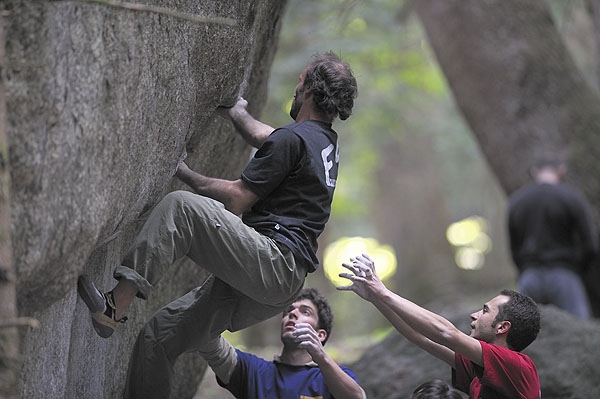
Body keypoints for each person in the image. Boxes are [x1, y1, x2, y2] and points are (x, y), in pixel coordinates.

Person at [77, 51, 358, 398]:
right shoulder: (323, 142)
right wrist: (237, 113)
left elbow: (238, 198)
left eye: (301, 82)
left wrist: (182, 171)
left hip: (272, 261)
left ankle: (113, 306)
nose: (296, 88)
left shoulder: (295, 139)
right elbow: (268, 137)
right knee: (159, 337)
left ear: (312, 88)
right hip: (277, 285)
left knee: (182, 207)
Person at [338, 254, 541, 399]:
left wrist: (384, 293)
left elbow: (446, 333)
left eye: (485, 311)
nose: (475, 314)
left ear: (502, 327)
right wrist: (376, 298)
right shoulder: (481, 368)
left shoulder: (519, 367)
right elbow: (421, 337)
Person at [198, 287, 366, 399]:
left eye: (305, 312)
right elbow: (208, 340)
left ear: (320, 334)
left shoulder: (331, 377)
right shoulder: (252, 370)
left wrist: (321, 357)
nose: (292, 314)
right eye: (288, 311)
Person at [507, 158, 599, 318]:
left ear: (534, 171)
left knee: (522, 333)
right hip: (564, 275)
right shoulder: (571, 197)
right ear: (561, 170)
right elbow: (590, 245)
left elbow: (514, 247)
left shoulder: (517, 201)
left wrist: (524, 268)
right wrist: (578, 268)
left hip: (529, 277)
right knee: (578, 330)